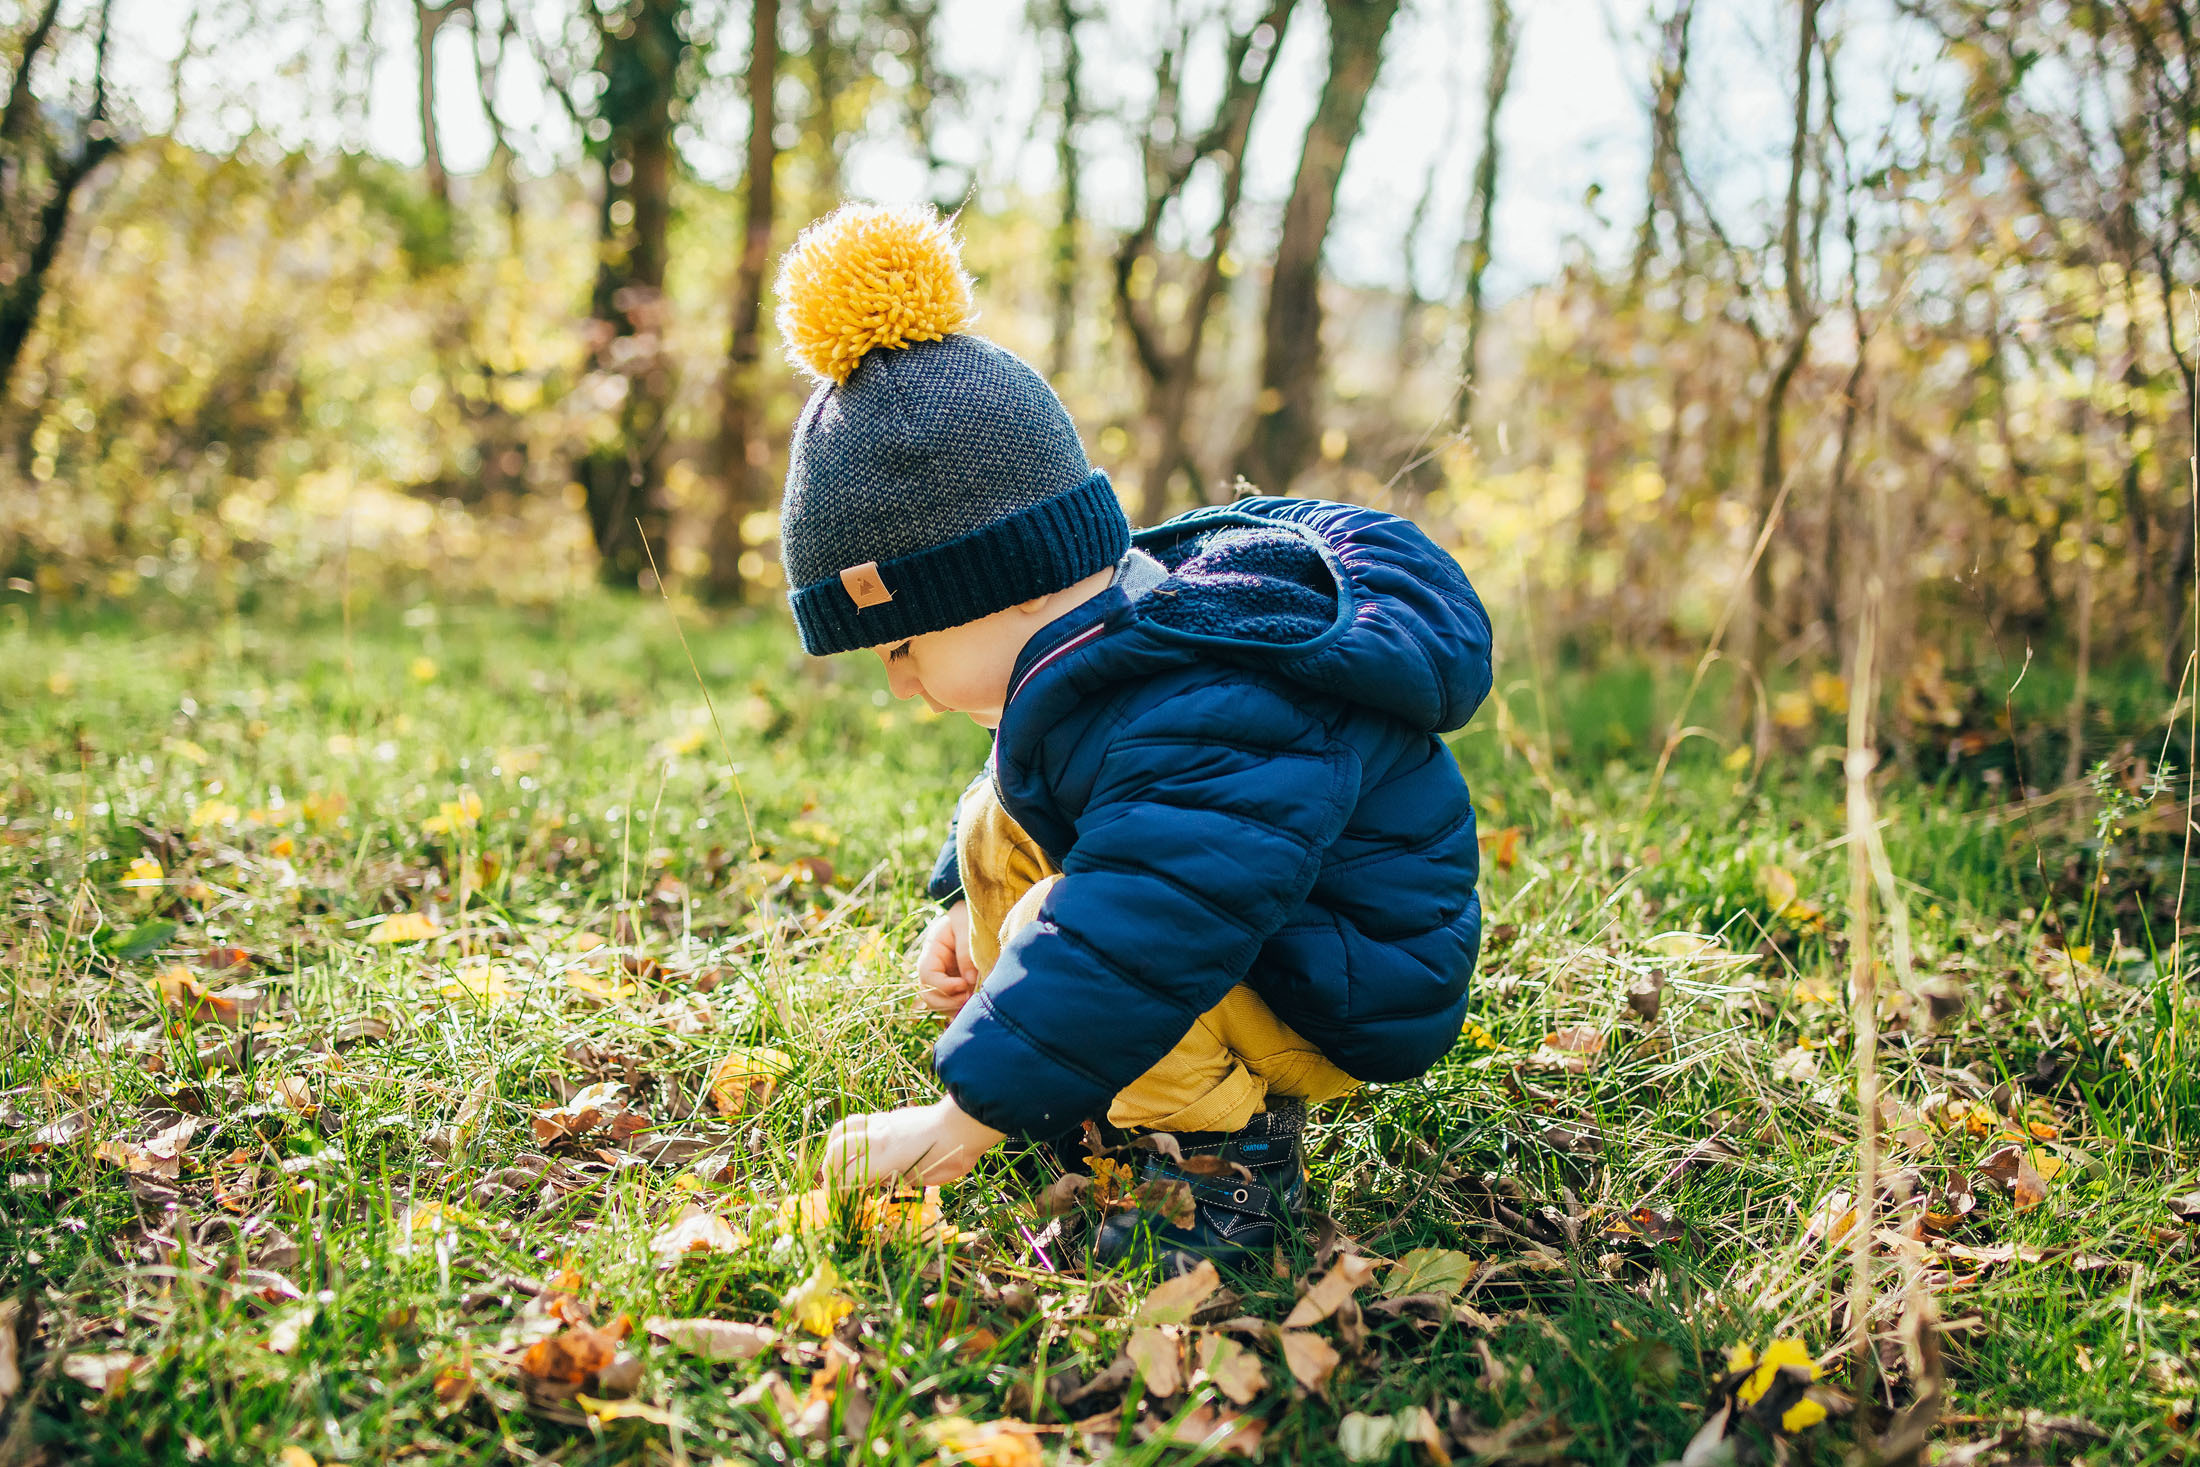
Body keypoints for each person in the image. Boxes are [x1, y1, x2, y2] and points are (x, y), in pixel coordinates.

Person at [775, 202, 1492, 1272]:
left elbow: (1146, 923)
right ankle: (1083, 1070)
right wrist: (965, 921)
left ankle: (1217, 1172)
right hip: (1255, 932)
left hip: (1339, 985)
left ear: (1002, 591)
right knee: (995, 820)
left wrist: (959, 1125)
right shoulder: (1104, 653)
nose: (903, 686)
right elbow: (1054, 787)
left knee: (1085, 922)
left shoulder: (1209, 696)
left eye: (904, 645)